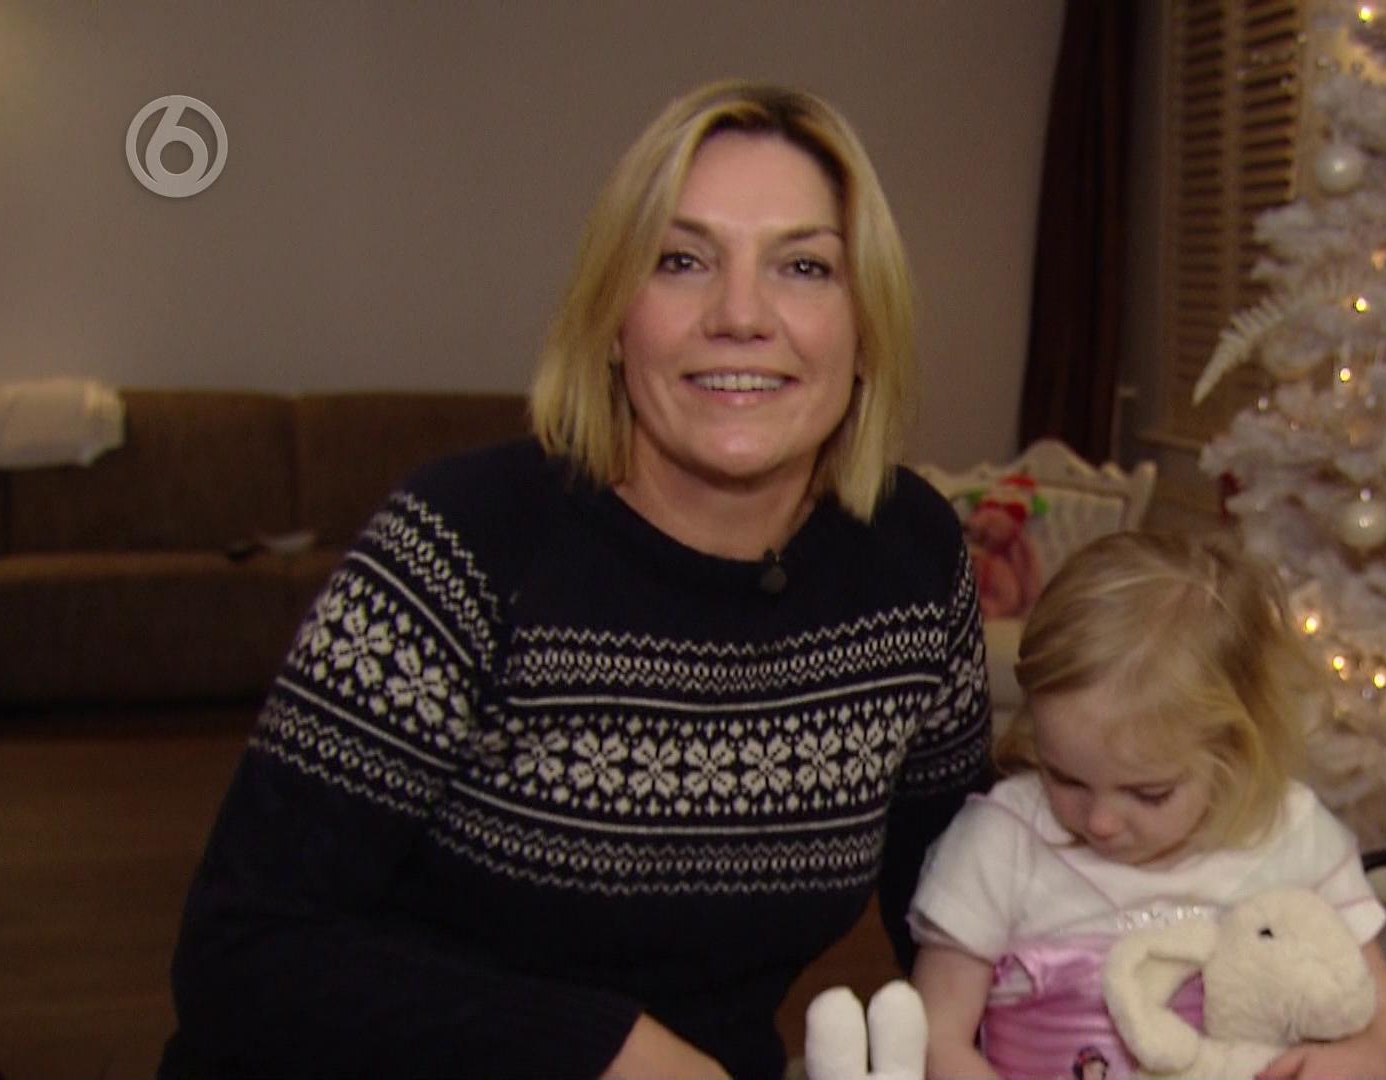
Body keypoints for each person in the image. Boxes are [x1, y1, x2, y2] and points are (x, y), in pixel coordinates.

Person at [158, 80, 990, 1080]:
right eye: (680, 261)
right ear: (612, 318)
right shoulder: (458, 545)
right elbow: (243, 955)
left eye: (804, 266)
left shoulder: (910, 557)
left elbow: (961, 901)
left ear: (865, 331)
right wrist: (603, 1050)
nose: (740, 315)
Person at [909, 531, 1386, 1080]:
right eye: (1065, 777)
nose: (1100, 821)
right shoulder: (1001, 842)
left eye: (1147, 793)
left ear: (1232, 751)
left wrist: (1363, 1060)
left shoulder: (1293, 834)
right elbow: (934, 1036)